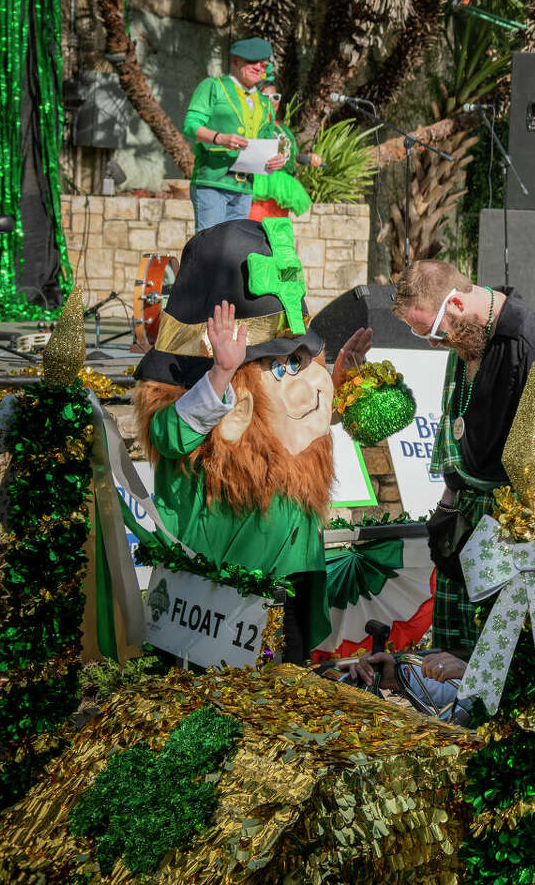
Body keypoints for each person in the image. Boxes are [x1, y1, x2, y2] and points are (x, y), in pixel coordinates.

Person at [129, 217, 370, 661]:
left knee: (285, 702)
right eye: (276, 362)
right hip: (221, 594)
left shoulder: (292, 372)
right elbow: (169, 437)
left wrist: (341, 383)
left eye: (295, 358)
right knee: (211, 709)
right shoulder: (187, 387)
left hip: (291, 569)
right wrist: (221, 373)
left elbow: (293, 424)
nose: (294, 369)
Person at [389, 259, 535, 659]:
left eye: (434, 333)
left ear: (454, 301)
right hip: (468, 511)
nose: (434, 344)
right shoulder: (468, 334)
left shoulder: (530, 339)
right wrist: (447, 503)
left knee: (495, 655)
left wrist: (526, 543)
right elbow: (457, 421)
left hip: (514, 521)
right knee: (450, 657)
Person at [181, 37, 300, 230]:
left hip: (244, 188)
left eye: (262, 64)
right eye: (251, 61)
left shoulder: (263, 102)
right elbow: (191, 126)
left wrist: (275, 159)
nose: (258, 67)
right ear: (236, 60)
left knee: (234, 249)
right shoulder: (214, 86)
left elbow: (266, 141)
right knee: (208, 245)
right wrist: (220, 138)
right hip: (212, 181)